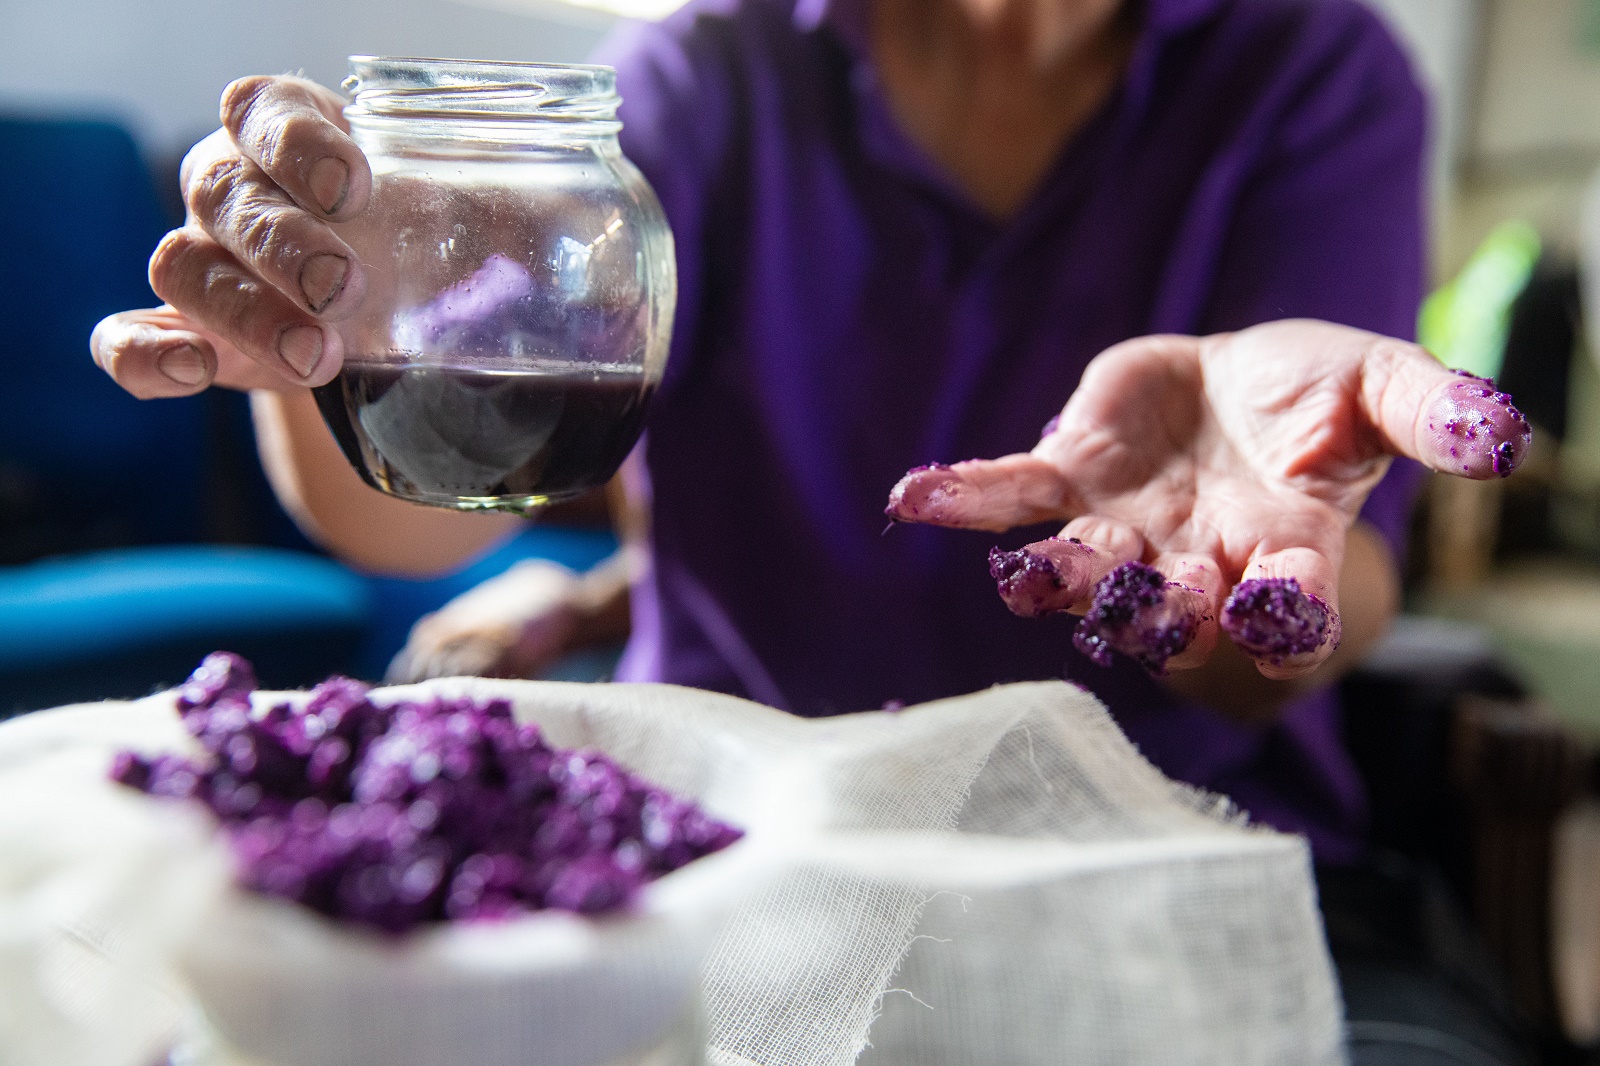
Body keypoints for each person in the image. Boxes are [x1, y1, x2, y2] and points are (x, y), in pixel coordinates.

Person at [90, 0, 1535, 1059]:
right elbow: (420, 514)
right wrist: (320, 337)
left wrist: (1235, 571)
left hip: (1167, 861)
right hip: (725, 871)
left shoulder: (1312, 71)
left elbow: (1295, 630)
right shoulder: (711, 81)